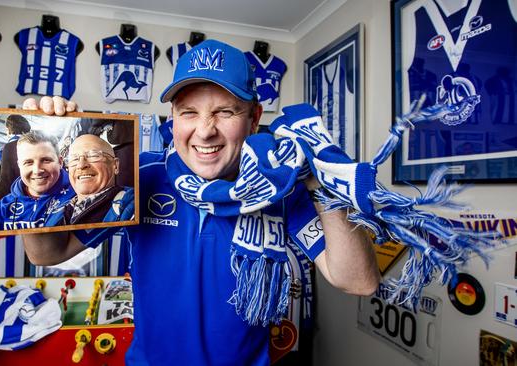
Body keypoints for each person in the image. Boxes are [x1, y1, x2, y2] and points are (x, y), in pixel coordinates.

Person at [22, 40, 379, 365]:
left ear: (254, 118)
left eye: (225, 112)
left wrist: (322, 179)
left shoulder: (280, 187)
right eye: (189, 112)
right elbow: (47, 253)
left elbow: (359, 282)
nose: (205, 131)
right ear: (173, 118)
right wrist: (44, 176)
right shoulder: (142, 175)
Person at [0, 130, 74, 231]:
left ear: (60, 162)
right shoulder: (2, 208)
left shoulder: (77, 198)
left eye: (46, 160)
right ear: (19, 165)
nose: (37, 170)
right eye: (28, 162)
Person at [63, 134, 134, 224]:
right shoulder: (58, 211)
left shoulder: (129, 206)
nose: (81, 165)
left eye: (93, 155)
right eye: (74, 159)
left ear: (115, 166)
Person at [0, 114, 31, 205]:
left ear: (9, 130)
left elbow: (6, 179)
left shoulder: (10, 147)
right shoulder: (32, 144)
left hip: (13, 200)